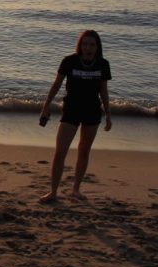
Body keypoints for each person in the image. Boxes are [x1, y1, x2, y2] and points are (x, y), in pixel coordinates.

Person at [39, 30, 112, 203]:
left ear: (97, 47)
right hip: (71, 110)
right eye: (85, 44)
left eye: (92, 45)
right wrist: (46, 106)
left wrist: (108, 114)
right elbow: (56, 85)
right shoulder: (69, 61)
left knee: (84, 151)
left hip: (92, 111)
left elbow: (103, 91)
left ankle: (76, 189)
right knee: (60, 152)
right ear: (80, 45)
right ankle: (53, 192)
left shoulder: (103, 64)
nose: (88, 48)